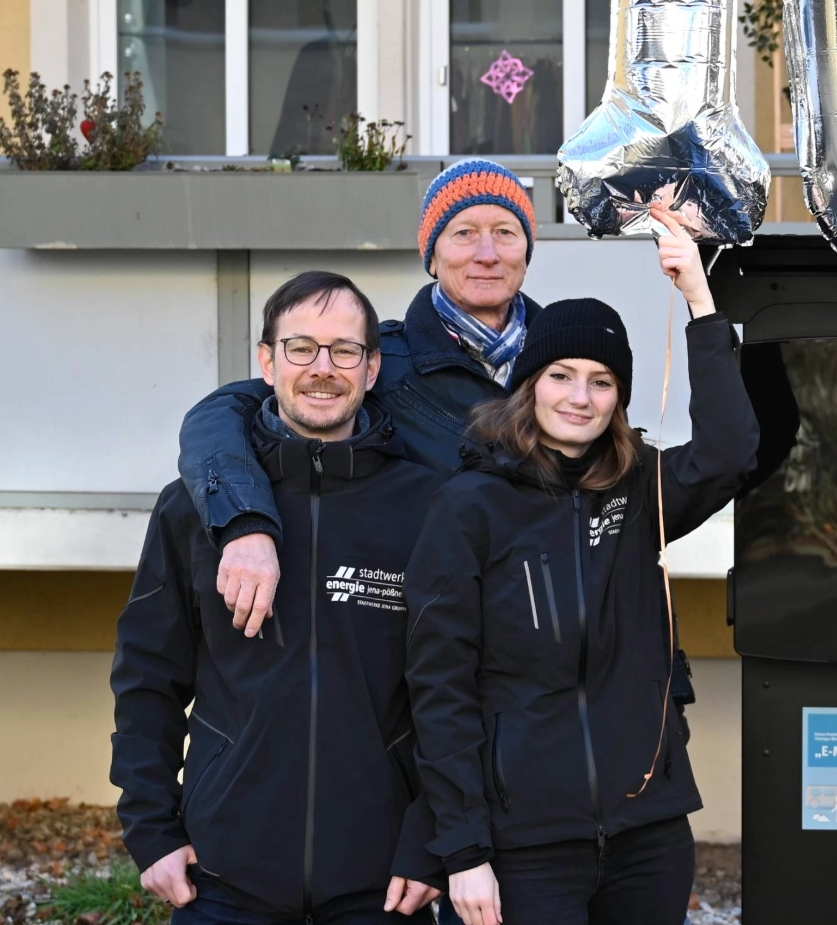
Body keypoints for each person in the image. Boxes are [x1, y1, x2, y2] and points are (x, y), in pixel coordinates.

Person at [404, 203, 760, 925]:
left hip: (647, 833)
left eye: (601, 381)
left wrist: (699, 298)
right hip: (524, 845)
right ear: (529, 385)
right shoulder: (469, 505)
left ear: (619, 397)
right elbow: (440, 689)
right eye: (561, 375)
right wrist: (464, 851)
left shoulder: (640, 488)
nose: (580, 397)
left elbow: (731, 452)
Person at [111, 271, 456, 924]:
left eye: (345, 350)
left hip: (382, 883)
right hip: (221, 880)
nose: (323, 368)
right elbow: (148, 679)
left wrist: (430, 838)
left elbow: (456, 692)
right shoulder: (193, 509)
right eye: (301, 348)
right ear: (267, 362)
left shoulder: (429, 507)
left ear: (372, 368)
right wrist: (151, 830)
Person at [180, 158, 541, 635]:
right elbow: (221, 415)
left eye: (506, 232)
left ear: (527, 250)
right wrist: (244, 523)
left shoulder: (565, 363)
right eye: (464, 233)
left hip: (541, 626)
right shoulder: (374, 361)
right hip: (443, 628)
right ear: (432, 256)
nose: (487, 253)